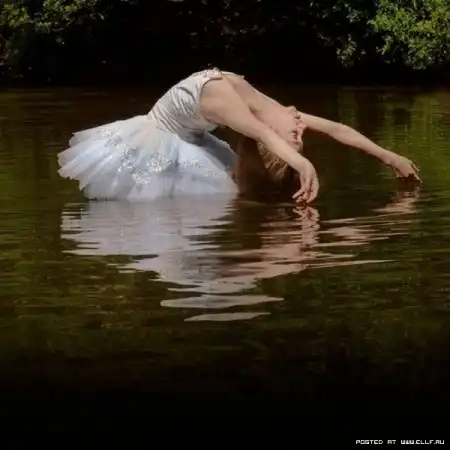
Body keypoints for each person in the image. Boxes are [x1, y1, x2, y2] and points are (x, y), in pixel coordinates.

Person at [57, 68, 420, 203]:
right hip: (160, 135)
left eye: (295, 134)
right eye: (299, 132)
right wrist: (389, 156)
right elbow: (330, 129)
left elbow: (270, 132)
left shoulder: (253, 112)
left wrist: (302, 163)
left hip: (186, 138)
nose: (300, 124)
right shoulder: (255, 106)